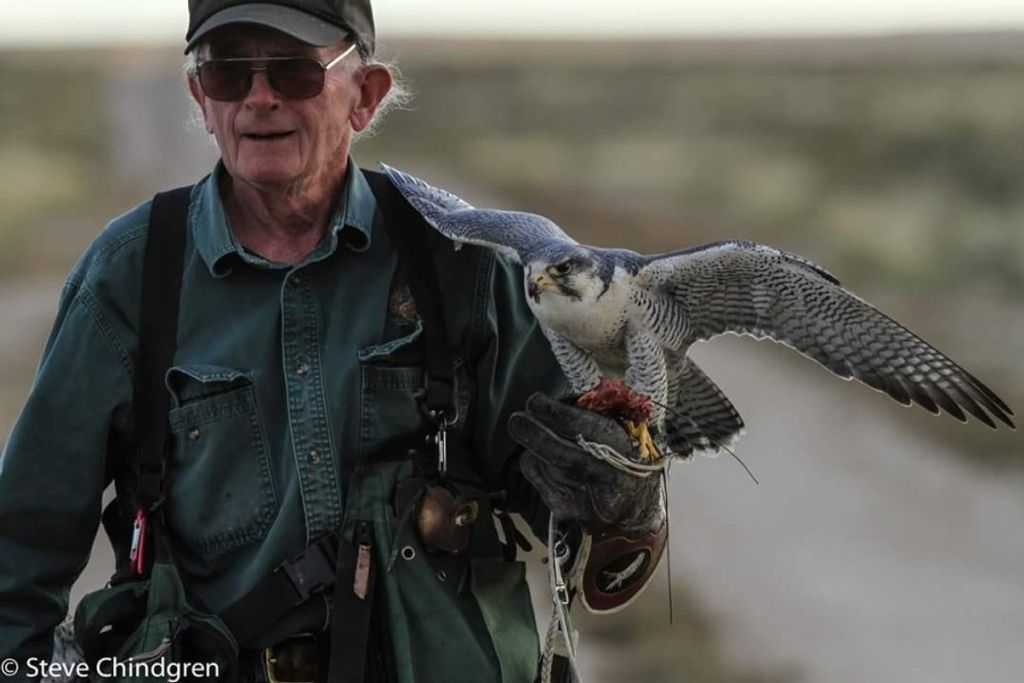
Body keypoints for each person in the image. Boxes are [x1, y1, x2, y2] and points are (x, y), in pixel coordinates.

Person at [0, 1, 666, 681]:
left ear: (365, 96)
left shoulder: (461, 263)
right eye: (229, 73)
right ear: (201, 98)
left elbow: (579, 504)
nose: (259, 99)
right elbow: (19, 553)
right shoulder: (130, 274)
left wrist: (625, 495)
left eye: (293, 71)